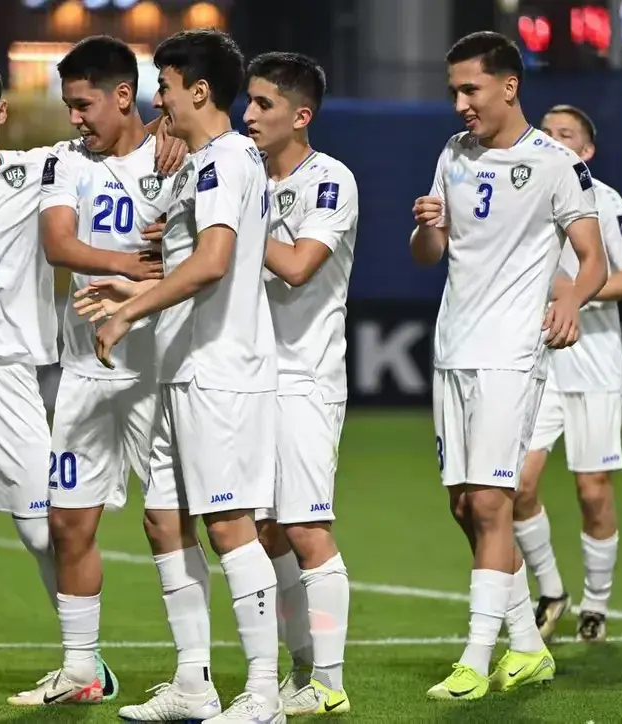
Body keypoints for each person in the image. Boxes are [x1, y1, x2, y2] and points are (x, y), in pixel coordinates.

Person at [0, 53, 182, 709]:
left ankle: (86, 661)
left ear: (0, 112)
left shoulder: (42, 167)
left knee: (46, 532)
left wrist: (171, 129)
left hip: (7, 379)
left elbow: (114, 137)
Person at [87, 28, 285, 723]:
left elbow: (214, 262)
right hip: (184, 369)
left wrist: (128, 311)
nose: (158, 102)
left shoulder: (225, 160)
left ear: (199, 91)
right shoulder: (205, 163)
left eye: (165, 88)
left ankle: (263, 693)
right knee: (164, 520)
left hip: (220, 371)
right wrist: (134, 291)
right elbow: (190, 264)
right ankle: (195, 685)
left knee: (229, 525)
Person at [410, 31, 607, 701]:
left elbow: (592, 258)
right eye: (454, 92)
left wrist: (571, 301)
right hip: (452, 349)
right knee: (464, 505)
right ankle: (527, 645)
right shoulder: (453, 152)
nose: (460, 104)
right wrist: (427, 225)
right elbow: (429, 254)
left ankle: (475, 659)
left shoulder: (554, 163)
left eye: (470, 89)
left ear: (509, 85)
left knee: (493, 501)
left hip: (511, 353)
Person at [6, 35, 192, 707]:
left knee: (168, 525)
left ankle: (194, 674)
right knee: (68, 524)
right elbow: (59, 244)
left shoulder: (179, 156)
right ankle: (81, 669)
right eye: (69, 105)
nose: (74, 118)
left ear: (123, 96)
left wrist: (155, 268)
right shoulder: (65, 162)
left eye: (83, 105)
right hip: (84, 372)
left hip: (155, 372)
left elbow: (199, 252)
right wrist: (129, 264)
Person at [242, 51, 357, 716]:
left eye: (264, 103)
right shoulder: (246, 176)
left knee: (307, 528)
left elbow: (297, 266)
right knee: (265, 535)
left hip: (305, 377)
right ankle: (303, 666)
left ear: (301, 115)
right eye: (248, 101)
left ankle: (331, 683)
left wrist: (233, 221)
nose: (249, 114)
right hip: (250, 378)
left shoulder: (330, 180)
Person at [514, 104, 622, 643]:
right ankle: (551, 590)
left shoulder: (604, 199)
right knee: (518, 483)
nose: (553, 139)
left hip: (592, 361)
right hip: (538, 359)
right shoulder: (523, 195)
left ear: (587, 151)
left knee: (592, 491)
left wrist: (576, 294)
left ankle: (596, 602)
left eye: (566, 134)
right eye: (546, 131)